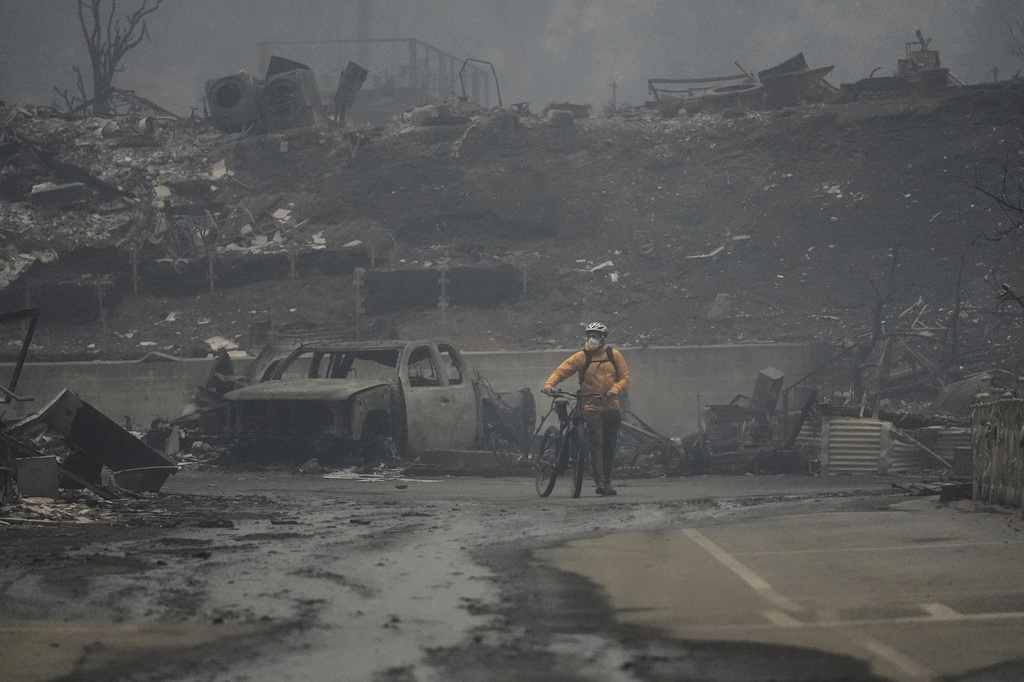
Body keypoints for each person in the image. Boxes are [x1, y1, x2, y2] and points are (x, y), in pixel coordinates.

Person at [541, 322, 631, 495]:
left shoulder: (615, 355)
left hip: (612, 406)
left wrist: (615, 389)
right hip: (591, 405)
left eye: (596, 336)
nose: (592, 339)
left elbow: (625, 378)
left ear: (603, 338)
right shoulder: (582, 357)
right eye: (590, 336)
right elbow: (561, 371)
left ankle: (607, 480)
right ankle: (600, 483)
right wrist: (549, 385)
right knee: (596, 443)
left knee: (610, 446)